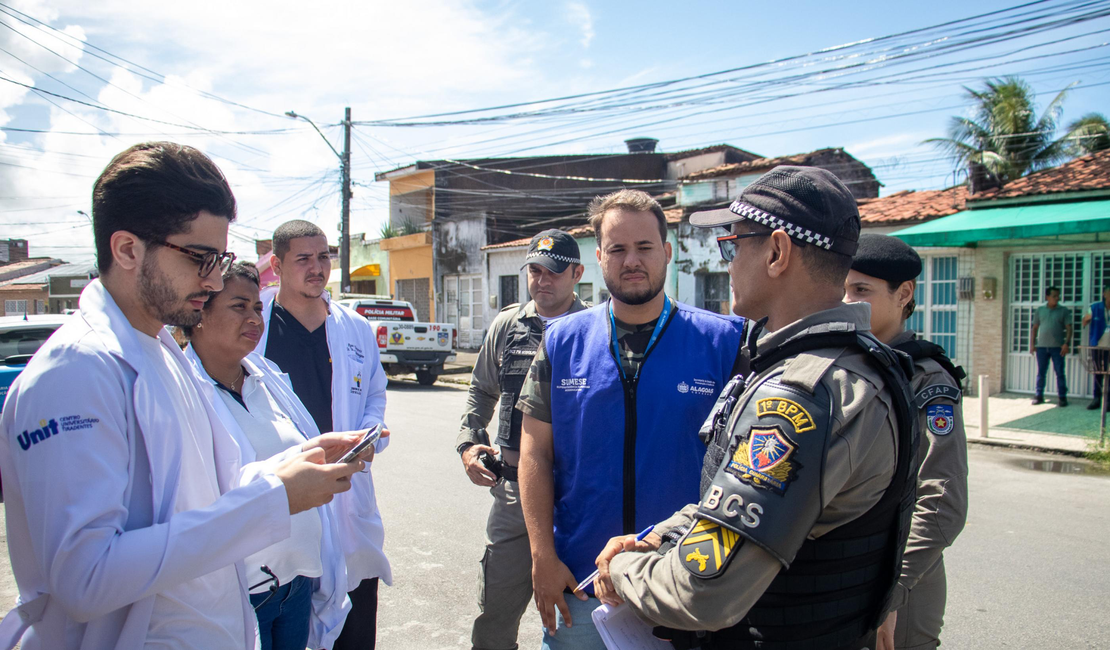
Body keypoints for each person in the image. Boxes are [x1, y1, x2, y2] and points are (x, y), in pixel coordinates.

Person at [0, 142, 365, 650]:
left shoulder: (157, 351)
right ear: (127, 249)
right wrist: (273, 497)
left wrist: (284, 469)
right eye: (200, 258)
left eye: (221, 258)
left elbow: (193, 503)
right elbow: (86, 579)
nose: (214, 279)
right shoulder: (76, 373)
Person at [593, 166, 919, 650]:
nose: (727, 263)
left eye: (733, 245)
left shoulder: (799, 396)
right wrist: (660, 538)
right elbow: (734, 506)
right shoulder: (840, 365)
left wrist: (623, 569)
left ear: (777, 251)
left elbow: (700, 592)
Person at [517, 189, 747, 649]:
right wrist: (542, 555)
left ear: (666, 252)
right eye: (617, 249)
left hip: (683, 578)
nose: (631, 261)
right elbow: (535, 453)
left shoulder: (723, 342)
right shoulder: (562, 341)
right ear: (599, 257)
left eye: (644, 248)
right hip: (579, 579)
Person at [184, 261, 369, 650]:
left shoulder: (266, 376)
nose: (255, 318)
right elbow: (195, 494)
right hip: (239, 591)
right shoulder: (179, 392)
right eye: (239, 306)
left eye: (257, 307)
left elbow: (292, 451)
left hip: (296, 581)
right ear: (199, 311)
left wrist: (322, 449)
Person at [255, 219, 390, 650]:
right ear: (276, 265)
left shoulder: (354, 327)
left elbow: (374, 391)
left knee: (353, 621)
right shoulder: (255, 324)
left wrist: (368, 438)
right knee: (294, 614)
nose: (317, 268)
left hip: (345, 493)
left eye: (323, 257)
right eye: (303, 259)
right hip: (288, 493)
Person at [457, 229, 590, 650]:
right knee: (494, 617)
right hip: (513, 495)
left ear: (577, 274)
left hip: (575, 499)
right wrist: (468, 443)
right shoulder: (507, 325)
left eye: (552, 271)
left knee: (578, 621)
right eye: (534, 270)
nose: (542, 280)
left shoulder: (594, 330)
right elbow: (481, 390)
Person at [845, 234, 969, 650]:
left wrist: (889, 594)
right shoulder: (846, 364)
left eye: (862, 290)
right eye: (842, 289)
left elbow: (942, 502)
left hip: (903, 588)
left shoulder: (927, 379)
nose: (848, 301)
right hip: (847, 582)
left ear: (904, 294)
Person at [1030, 286, 1072, 406]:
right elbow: (1035, 328)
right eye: (1054, 296)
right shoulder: (1040, 310)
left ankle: (1062, 397)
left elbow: (1069, 328)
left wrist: (1066, 343)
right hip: (1042, 347)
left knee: (1059, 372)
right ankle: (1038, 396)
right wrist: (1032, 344)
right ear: (1047, 297)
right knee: (1041, 372)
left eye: (1058, 296)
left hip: (1057, 347)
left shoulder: (1063, 311)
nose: (1057, 298)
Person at [1081, 285, 1110, 410]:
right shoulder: (1095, 307)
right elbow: (1084, 320)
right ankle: (1096, 399)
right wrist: (1086, 319)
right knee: (1098, 373)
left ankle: (1108, 402)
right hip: (1098, 346)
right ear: (1104, 294)